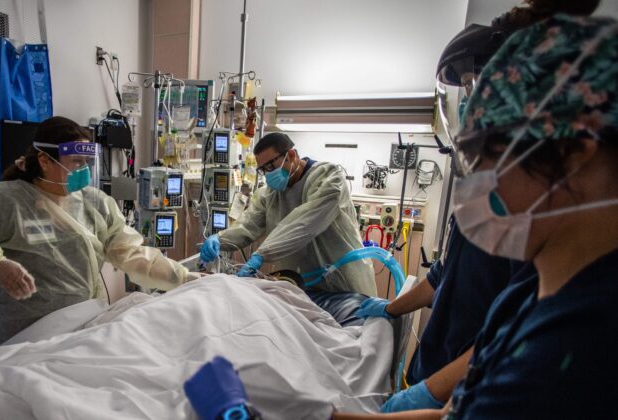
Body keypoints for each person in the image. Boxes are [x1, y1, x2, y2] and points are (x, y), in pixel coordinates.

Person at [336, 13, 618, 419]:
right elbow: (459, 407)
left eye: (494, 161)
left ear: (573, 154)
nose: (481, 187)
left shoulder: (575, 350)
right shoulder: (529, 296)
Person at [0, 116, 199, 344]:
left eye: (86, 162)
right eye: (75, 161)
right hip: (29, 334)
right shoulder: (3, 202)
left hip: (84, 325)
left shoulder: (95, 204)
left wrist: (183, 278)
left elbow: (132, 255)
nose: (83, 169)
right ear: (45, 160)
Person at [200, 132, 377, 315]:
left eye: (271, 165)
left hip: (343, 286)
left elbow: (304, 222)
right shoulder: (269, 194)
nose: (268, 174)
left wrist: (262, 255)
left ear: (291, 155)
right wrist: (220, 240)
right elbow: (248, 224)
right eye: (263, 169)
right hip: (301, 289)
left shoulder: (328, 179)